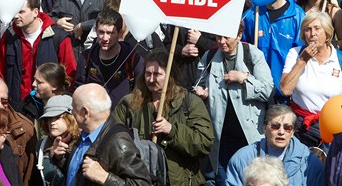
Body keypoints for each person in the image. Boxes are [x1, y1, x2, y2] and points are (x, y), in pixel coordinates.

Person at [114, 50, 214, 185]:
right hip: (141, 178)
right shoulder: (129, 103)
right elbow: (114, 139)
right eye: (148, 73)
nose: (151, 79)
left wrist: (171, 130)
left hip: (179, 181)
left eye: (157, 74)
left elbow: (204, 143)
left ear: (170, 75)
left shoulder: (190, 102)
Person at [194, 21, 274, 184]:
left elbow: (267, 90)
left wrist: (244, 79)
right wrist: (201, 93)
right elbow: (198, 85)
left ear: (239, 35)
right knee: (225, 181)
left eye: (226, 37)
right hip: (221, 139)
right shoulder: (209, 57)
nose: (221, 41)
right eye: (218, 37)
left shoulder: (253, 54)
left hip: (250, 137)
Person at [280, 12, 342, 147]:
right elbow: (285, 90)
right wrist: (303, 61)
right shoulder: (295, 54)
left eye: (317, 28)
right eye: (307, 29)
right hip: (301, 127)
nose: (312, 33)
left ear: (327, 33)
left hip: (333, 127)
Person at [0, 0, 76, 110]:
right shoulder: (9, 37)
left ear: (35, 12)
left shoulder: (58, 38)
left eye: (21, 12)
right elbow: (0, 72)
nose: (16, 16)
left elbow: (70, 74)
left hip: (50, 108)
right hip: (17, 108)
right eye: (15, 12)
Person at [60, 83, 151, 185]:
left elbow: (142, 183)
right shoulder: (85, 133)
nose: (71, 112)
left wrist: (105, 177)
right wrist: (60, 158)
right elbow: (76, 175)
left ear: (85, 113)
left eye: (73, 108)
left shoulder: (118, 141)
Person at [226, 105, 325, 186]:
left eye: (287, 127)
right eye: (275, 126)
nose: (281, 132)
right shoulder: (242, 158)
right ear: (264, 128)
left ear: (293, 131)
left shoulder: (310, 162)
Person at [242, 0, 305, 103]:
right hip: (258, 89)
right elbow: (241, 46)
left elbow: (301, 53)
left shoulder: (297, 14)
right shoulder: (252, 15)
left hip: (285, 92)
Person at [74, 8, 143, 107]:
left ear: (120, 33)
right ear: (96, 31)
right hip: (94, 116)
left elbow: (141, 88)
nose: (105, 38)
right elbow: (78, 89)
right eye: (101, 32)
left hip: (121, 117)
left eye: (110, 33)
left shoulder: (132, 57)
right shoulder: (86, 57)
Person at [36, 95, 80, 186]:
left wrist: (61, 158)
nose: (52, 122)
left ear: (70, 118)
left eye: (57, 117)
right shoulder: (41, 144)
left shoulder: (81, 143)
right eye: (49, 118)